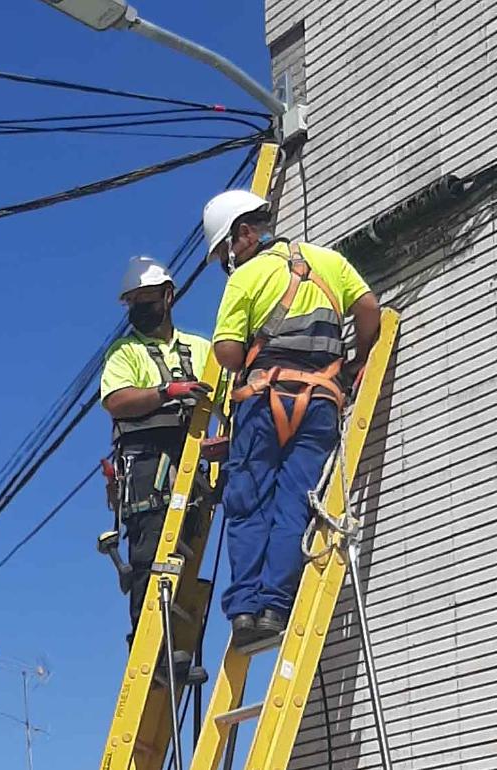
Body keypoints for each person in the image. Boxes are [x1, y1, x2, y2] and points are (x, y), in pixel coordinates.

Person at [202, 190, 380, 647]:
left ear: (244, 233)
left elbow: (226, 353)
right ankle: (274, 608)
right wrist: (358, 360)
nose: (228, 261)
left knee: (248, 502)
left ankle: (244, 610)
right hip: (320, 400)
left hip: (263, 400)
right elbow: (368, 310)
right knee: (295, 503)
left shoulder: (246, 277)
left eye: (226, 251)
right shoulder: (329, 262)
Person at [99, 256, 212, 661]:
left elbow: (225, 399)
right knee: (149, 554)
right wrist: (168, 392)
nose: (138, 311)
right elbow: (117, 401)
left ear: (168, 297)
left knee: (187, 553)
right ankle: (149, 647)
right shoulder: (124, 352)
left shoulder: (199, 349)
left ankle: (180, 647)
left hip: (189, 459)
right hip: (146, 462)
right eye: (132, 304)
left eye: (145, 301)